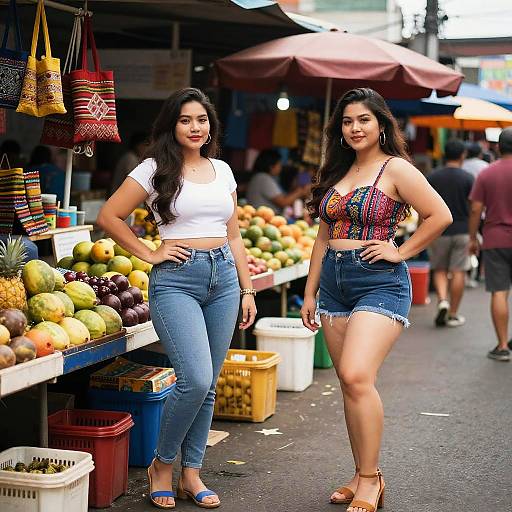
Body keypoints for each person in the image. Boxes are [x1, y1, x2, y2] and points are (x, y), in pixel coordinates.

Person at [97, 88, 257, 509]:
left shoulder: (222, 170)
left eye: (201, 120)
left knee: (208, 387)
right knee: (196, 378)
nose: (195, 127)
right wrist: (149, 253)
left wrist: (247, 287)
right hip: (177, 280)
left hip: (223, 277)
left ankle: (193, 472)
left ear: (211, 125)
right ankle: (161, 466)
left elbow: (235, 234)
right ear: (172, 124)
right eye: (186, 120)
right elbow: (109, 216)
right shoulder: (153, 169)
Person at [300, 88, 451, 512]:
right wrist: (310, 291)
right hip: (333, 283)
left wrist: (400, 251)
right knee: (350, 385)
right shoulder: (335, 171)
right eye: (347, 121)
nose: (355, 128)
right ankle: (360, 471)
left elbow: (440, 215)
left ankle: (371, 480)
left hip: (379, 282)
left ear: (381, 124)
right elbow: (323, 236)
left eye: (363, 120)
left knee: (355, 373)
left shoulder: (396, 169)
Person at [468, 127, 512, 362]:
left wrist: (473, 237)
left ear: (498, 147)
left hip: (495, 239)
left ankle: (503, 346)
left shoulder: (487, 173)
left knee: (499, 292)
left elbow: (476, 208)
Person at [427, 139, 474, 327]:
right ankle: (453, 313)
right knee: (458, 271)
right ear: (462, 155)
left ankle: (442, 301)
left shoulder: (433, 177)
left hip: (438, 230)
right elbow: (474, 207)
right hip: (462, 230)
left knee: (439, 268)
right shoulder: (468, 178)